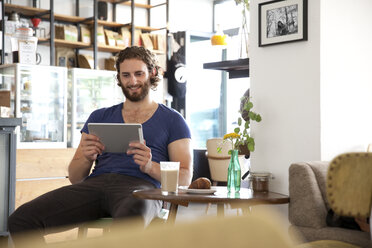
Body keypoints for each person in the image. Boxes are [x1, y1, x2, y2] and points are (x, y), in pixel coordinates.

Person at [8, 46, 193, 245]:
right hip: (95, 185)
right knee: (21, 220)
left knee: (129, 222)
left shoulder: (173, 120)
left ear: (152, 73)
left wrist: (150, 167)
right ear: (119, 77)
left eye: (139, 74)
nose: (132, 81)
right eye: (126, 75)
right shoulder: (100, 116)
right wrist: (87, 157)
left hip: (141, 188)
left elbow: (185, 178)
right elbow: (75, 177)